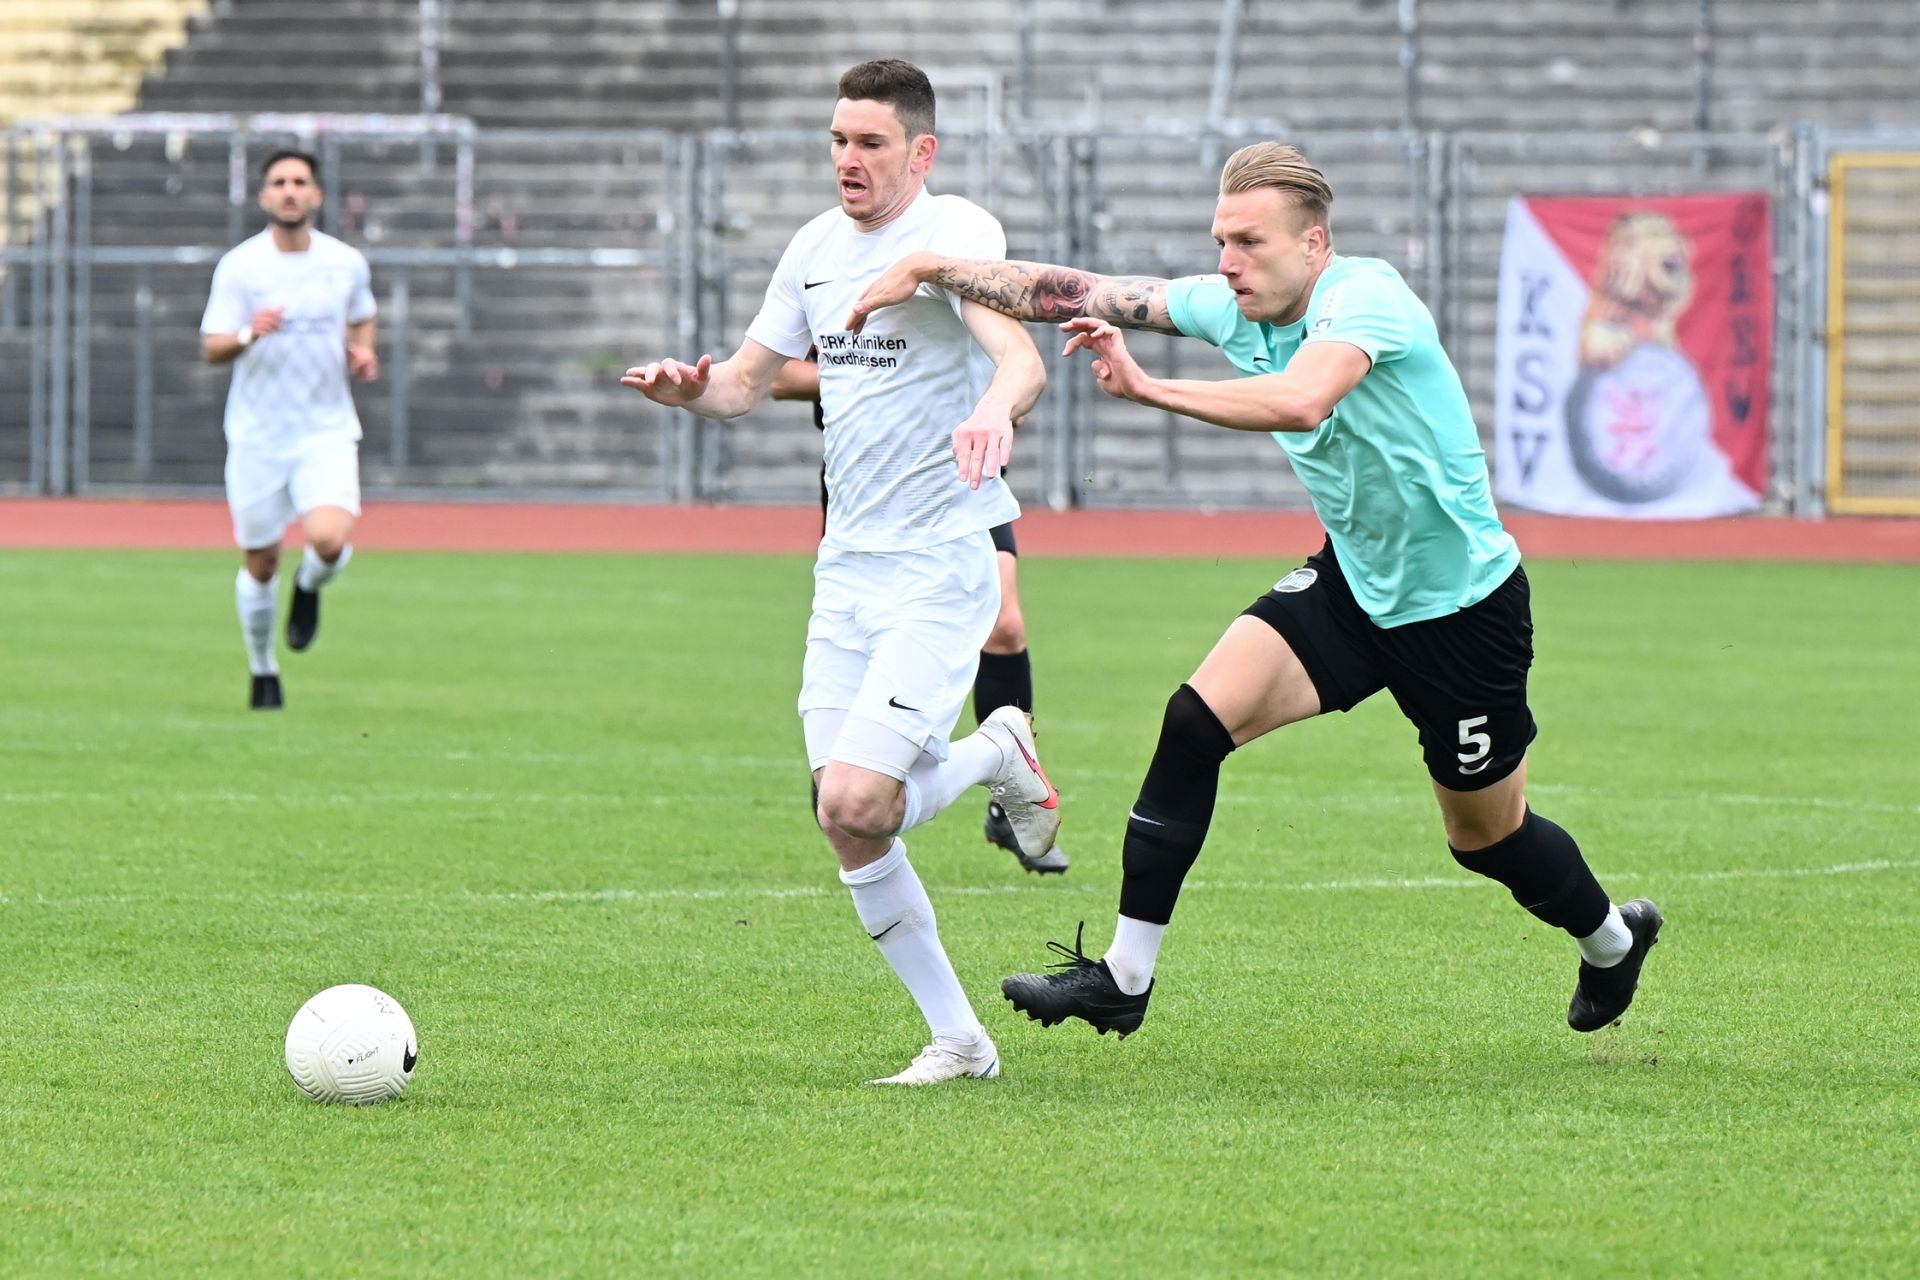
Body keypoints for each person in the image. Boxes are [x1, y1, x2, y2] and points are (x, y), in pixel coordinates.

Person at [846, 141, 1662, 1042]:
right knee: (1194, 723)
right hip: (1353, 586)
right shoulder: (1231, 306)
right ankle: (1123, 977)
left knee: (1487, 839)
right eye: (1221, 241)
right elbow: (1076, 290)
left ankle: (1613, 943)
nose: (1229, 262)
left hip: (1462, 614)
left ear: (1314, 243)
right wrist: (931, 265)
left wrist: (1150, 388)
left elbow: (1303, 399)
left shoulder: (1367, 297)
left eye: (1250, 242)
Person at [623, 60, 1059, 1085]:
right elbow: (743, 384)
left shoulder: (959, 233)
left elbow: (1022, 360)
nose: (847, 160)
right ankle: (961, 1040)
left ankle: (998, 748)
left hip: (937, 564)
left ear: (921, 152)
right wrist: (689, 391)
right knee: (847, 818)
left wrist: (993, 409)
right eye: (837, 140)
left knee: (861, 799)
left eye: (869, 142)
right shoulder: (814, 248)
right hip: (846, 571)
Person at [774, 355, 1068, 875]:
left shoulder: (959, 298)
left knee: (1006, 625)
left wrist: (996, 395)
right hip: (867, 485)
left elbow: (1018, 367)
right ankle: (851, 777)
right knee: (849, 795)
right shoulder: (836, 302)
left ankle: (1008, 796)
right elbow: (779, 376)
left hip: (956, 477)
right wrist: (886, 372)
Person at [200, 148, 377, 710]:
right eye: (279, 182)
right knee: (261, 562)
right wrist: (249, 334)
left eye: (300, 181)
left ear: (317, 194)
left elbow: (363, 315)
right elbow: (211, 346)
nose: (290, 190)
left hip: (325, 430)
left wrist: (363, 353)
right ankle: (262, 669)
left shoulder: (345, 263)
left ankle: (309, 585)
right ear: (264, 196)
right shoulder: (241, 267)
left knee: (329, 539)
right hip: (257, 436)